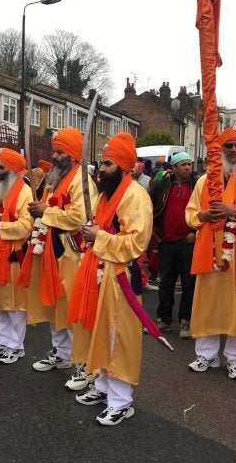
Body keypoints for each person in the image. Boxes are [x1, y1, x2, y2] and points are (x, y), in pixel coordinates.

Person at [67, 132, 152, 426]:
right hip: (99, 272)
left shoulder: (135, 195)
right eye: (100, 163)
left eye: (107, 164)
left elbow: (136, 243)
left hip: (121, 278)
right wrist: (93, 234)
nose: (100, 169)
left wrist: (98, 237)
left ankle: (121, 401)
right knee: (100, 332)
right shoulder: (106, 194)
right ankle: (103, 388)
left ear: (124, 167)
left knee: (120, 338)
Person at [18, 127, 97, 391]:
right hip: (52, 252)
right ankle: (61, 355)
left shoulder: (81, 180)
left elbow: (80, 217)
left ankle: (84, 365)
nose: (54, 156)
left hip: (72, 254)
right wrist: (39, 210)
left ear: (73, 155)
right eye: (54, 150)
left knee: (74, 310)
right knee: (56, 308)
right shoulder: (56, 178)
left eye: (60, 151)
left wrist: (46, 211)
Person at [186, 126, 236, 380]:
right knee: (207, 306)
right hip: (208, 253)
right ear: (220, 150)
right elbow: (189, 216)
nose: (233, 150)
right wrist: (204, 215)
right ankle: (206, 356)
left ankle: (235, 360)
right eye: (228, 146)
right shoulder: (204, 181)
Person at [0, 148, 33, 364]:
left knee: (15, 303)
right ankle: (2, 340)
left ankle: (16, 345)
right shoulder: (0, 191)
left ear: (13, 169)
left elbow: (25, 227)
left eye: (2, 168)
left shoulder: (25, 192)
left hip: (14, 255)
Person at [150, 151, 199, 339]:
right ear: (174, 167)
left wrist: (195, 232)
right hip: (166, 241)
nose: (187, 167)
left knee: (188, 284)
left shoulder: (197, 185)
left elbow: (204, 209)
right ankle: (164, 319)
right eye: (183, 164)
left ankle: (185, 321)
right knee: (166, 283)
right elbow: (151, 207)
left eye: (190, 164)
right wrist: (155, 230)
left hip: (188, 241)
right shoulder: (163, 185)